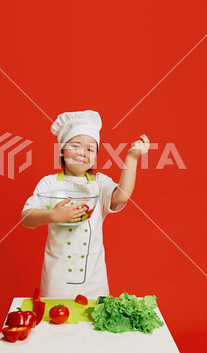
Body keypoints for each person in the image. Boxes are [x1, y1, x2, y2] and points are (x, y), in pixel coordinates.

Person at [21, 110, 150, 298]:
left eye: (90, 149)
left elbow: (121, 196)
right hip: (57, 282)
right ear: (62, 150)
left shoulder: (99, 182)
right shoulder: (49, 183)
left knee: (92, 326)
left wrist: (132, 158)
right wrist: (53, 215)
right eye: (75, 145)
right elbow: (25, 216)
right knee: (57, 325)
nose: (82, 152)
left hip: (94, 281)